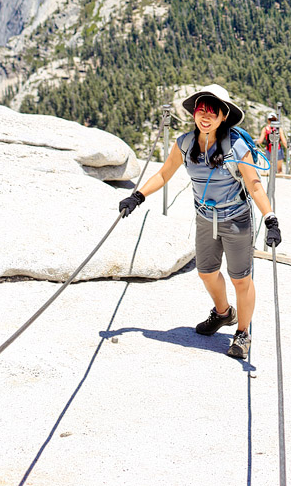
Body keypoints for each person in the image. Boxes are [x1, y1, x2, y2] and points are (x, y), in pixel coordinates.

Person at [118, 83, 281, 361]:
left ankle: (242, 333)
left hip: (236, 219)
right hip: (205, 218)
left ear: (223, 117)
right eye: (201, 110)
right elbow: (163, 174)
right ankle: (223, 313)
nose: (205, 117)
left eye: (212, 112)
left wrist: (270, 219)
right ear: (194, 113)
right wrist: (137, 196)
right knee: (206, 272)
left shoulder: (236, 145)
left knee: (240, 279)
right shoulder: (184, 143)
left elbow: (254, 186)